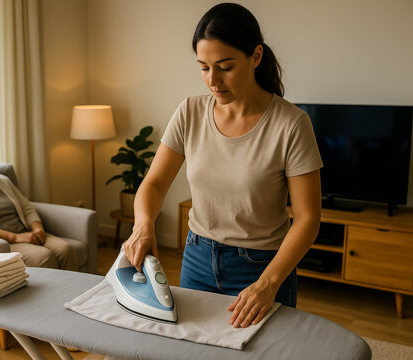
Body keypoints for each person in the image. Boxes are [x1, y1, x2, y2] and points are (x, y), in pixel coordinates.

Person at [123, 3, 323, 328]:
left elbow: (308, 218)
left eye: (225, 66)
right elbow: (155, 183)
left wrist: (269, 283)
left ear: (256, 56)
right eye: (203, 67)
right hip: (197, 258)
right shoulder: (190, 112)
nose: (213, 81)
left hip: (262, 266)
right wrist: (143, 224)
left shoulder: (292, 124)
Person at [0, 135, 78, 271]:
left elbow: (26, 207)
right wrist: (15, 237)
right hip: (4, 243)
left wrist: (37, 228)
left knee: (65, 249)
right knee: (43, 256)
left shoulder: (2, 180)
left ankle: (80, 292)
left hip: (27, 233)